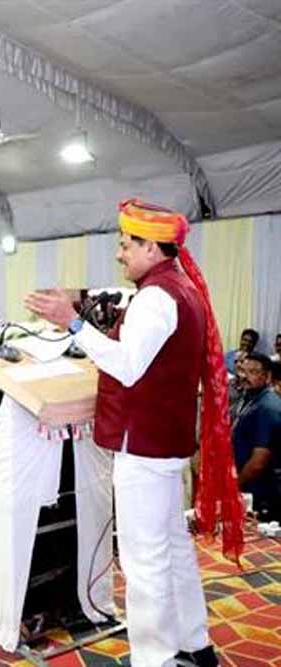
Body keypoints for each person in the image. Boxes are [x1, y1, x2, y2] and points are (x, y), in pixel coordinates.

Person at [26, 198, 243, 667]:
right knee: (172, 548)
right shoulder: (181, 289)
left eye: (127, 244)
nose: (120, 253)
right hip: (164, 442)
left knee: (145, 560)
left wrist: (74, 323)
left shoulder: (157, 298)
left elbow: (126, 365)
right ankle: (195, 642)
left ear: (152, 248)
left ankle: (155, 658)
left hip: (144, 446)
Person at [231, 354, 281, 521]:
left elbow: (258, 462)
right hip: (244, 485)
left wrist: (234, 486)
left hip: (260, 493)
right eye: (243, 371)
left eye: (253, 372)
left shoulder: (268, 407)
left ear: (267, 376)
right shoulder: (246, 397)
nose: (245, 376)